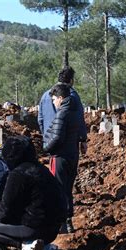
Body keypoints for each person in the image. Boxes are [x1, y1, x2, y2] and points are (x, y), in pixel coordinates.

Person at [0, 136, 67, 250]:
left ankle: (27, 245)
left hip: (36, 228)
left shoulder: (18, 175)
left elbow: (4, 213)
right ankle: (44, 245)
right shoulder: (41, 169)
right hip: (54, 228)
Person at [38, 67, 86, 233]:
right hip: (70, 147)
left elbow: (41, 119)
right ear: (71, 80)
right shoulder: (72, 96)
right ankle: (66, 220)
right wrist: (82, 139)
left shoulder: (46, 95)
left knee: (57, 185)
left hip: (55, 150)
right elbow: (80, 119)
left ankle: (61, 221)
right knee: (66, 186)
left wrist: (46, 141)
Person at [43, 83, 80, 233]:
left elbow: (57, 137)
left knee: (58, 189)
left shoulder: (62, 114)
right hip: (72, 155)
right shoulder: (74, 112)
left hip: (59, 157)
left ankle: (61, 224)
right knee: (67, 189)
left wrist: (46, 148)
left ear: (60, 98)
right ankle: (68, 221)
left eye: (54, 100)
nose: (53, 102)